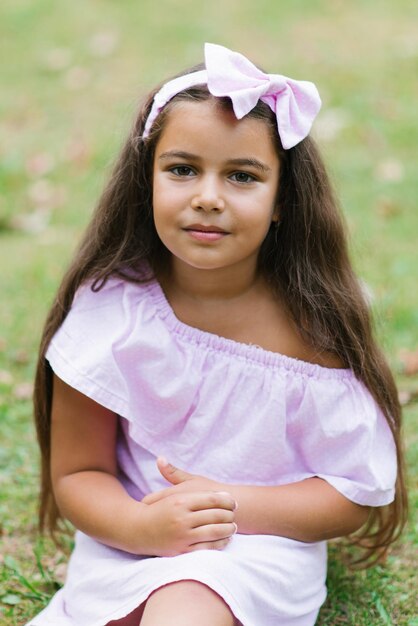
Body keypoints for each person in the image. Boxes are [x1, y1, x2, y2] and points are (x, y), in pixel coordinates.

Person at [27, 43, 407, 626]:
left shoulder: (314, 326)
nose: (208, 197)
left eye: (242, 176)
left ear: (282, 201)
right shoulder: (114, 312)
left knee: (184, 611)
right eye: (182, 169)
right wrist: (144, 527)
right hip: (132, 533)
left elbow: (351, 492)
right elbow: (80, 474)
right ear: (146, 180)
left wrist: (227, 508)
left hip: (258, 542)